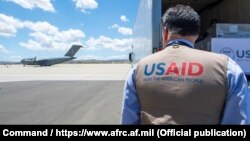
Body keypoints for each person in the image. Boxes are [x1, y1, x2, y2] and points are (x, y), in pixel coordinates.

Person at [121, 4, 250, 125]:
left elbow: (128, 120)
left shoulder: (139, 69)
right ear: (197, 34)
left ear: (165, 32)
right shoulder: (228, 69)